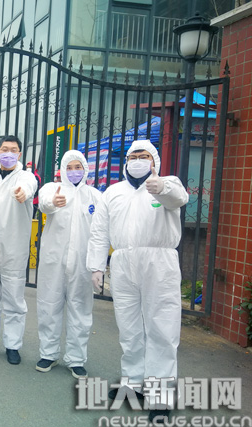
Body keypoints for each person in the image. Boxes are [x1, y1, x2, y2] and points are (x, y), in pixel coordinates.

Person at [87, 139, 188, 424]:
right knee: (129, 326)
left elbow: (179, 198)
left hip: (159, 262)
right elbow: (99, 231)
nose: (138, 161)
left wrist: (162, 187)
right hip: (123, 263)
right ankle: (133, 383)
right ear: (126, 161)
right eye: (133, 156)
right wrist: (96, 266)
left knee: (161, 327)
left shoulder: (167, 184)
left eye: (145, 156)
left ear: (155, 161)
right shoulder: (113, 192)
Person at [35, 150, 101, 379]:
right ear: (63, 169)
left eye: (78, 167)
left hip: (82, 262)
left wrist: (98, 264)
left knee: (80, 310)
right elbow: (44, 205)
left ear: (85, 169)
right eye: (69, 167)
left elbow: (100, 230)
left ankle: (76, 359)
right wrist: (53, 203)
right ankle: (48, 353)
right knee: (49, 306)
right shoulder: (52, 189)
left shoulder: (94, 196)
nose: (74, 171)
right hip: (53, 261)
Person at [0, 135, 38, 365]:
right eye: (4, 149)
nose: (8, 153)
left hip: (14, 249)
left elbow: (29, 188)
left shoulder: (26, 177)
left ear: (19, 154)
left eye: (13, 150)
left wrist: (24, 193)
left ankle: (13, 345)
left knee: (14, 299)